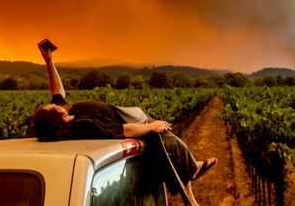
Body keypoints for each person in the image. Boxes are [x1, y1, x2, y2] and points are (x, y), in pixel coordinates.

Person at [30, 41, 216, 206]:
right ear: (58, 118)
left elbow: (57, 91)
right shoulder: (83, 124)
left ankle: (191, 186)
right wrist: (151, 126)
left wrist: (49, 61)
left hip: (133, 117)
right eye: (50, 107)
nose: (51, 104)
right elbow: (124, 130)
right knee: (167, 143)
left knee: (171, 149)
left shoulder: (69, 114)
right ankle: (193, 174)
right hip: (136, 123)